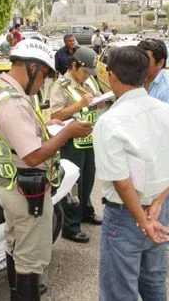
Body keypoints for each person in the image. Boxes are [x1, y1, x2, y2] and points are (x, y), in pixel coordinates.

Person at [0, 39, 92, 301]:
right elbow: (32, 156)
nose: (42, 82)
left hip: (8, 185)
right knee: (31, 259)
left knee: (15, 246)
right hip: (26, 191)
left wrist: (49, 124)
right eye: (42, 74)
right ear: (31, 67)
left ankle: (15, 294)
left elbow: (17, 134)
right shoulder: (13, 102)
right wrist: (66, 132)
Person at [93, 45, 169, 301]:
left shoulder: (109, 122)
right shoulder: (166, 111)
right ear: (146, 75)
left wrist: (143, 220)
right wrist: (158, 204)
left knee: (119, 290)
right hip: (158, 210)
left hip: (126, 215)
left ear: (111, 75)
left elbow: (122, 182)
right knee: (154, 282)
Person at [49, 47, 104, 243]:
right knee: (72, 184)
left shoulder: (88, 80)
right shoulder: (60, 86)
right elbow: (55, 115)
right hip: (71, 143)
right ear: (74, 65)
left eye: (90, 73)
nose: (87, 76)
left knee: (88, 179)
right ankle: (70, 226)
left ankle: (86, 212)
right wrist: (79, 105)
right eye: (85, 72)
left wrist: (97, 100)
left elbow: (96, 99)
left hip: (88, 139)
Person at [138, 39, 169, 249]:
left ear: (161, 63)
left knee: (160, 208)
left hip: (160, 164)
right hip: (144, 160)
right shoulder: (143, 82)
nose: (141, 63)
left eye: (146, 59)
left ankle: (161, 248)